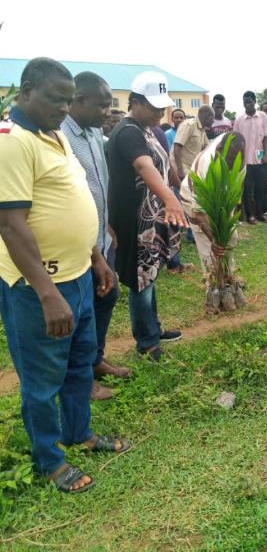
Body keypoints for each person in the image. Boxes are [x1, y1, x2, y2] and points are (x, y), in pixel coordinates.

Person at [0, 57, 129, 494]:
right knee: (42, 380)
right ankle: (50, 461)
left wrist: (95, 256)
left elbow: (72, 202)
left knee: (78, 365)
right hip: (38, 288)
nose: (65, 106)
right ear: (27, 91)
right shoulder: (12, 141)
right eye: (57, 98)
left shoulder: (53, 135)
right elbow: (11, 225)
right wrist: (46, 292)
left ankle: (80, 432)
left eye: (69, 98)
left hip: (78, 275)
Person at [60, 72, 132, 400]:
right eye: (102, 105)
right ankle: (81, 378)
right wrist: (92, 244)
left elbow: (98, 185)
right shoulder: (61, 136)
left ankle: (95, 360)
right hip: (78, 245)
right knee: (82, 310)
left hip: (100, 236)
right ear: (79, 101)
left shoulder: (92, 134)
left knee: (107, 295)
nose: (108, 111)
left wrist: (107, 226)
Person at [107, 71, 188, 361]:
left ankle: (152, 329)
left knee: (150, 277)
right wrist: (170, 199)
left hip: (151, 220)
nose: (159, 111)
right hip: (133, 222)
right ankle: (146, 341)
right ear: (136, 102)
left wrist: (184, 190)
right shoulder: (128, 132)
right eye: (153, 106)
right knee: (140, 280)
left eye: (161, 106)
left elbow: (165, 167)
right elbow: (143, 167)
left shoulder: (149, 130)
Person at [179, 131, 247, 306]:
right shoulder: (207, 166)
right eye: (230, 160)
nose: (233, 165)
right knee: (209, 247)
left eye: (237, 160)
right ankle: (214, 287)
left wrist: (225, 229)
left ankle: (229, 281)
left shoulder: (240, 162)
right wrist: (215, 240)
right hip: (195, 199)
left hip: (222, 199)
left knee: (231, 238)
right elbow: (200, 215)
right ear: (218, 150)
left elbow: (235, 196)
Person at [232, 91, 267, 225]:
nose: (247, 104)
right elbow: (236, 140)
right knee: (247, 190)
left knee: (260, 189)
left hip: (260, 160)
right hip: (245, 161)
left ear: (255, 101)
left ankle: (260, 213)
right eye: (245, 101)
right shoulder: (239, 120)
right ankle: (250, 215)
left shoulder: (262, 116)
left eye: (249, 101)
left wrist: (266, 154)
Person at [170, 106, 212, 194]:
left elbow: (207, 148)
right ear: (207, 116)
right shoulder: (189, 125)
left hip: (190, 171)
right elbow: (177, 146)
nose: (213, 121)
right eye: (212, 117)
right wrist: (180, 169)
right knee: (183, 200)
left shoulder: (202, 129)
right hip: (179, 173)